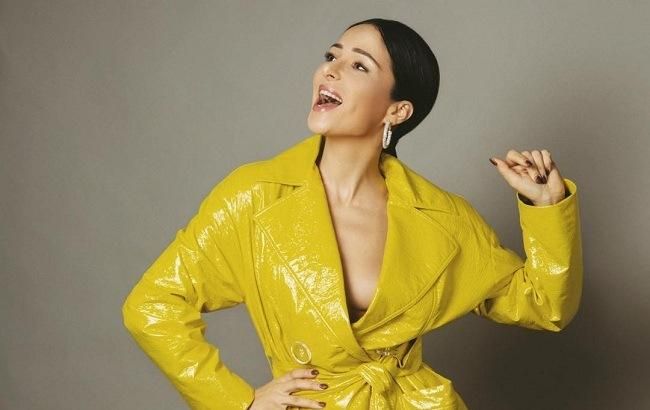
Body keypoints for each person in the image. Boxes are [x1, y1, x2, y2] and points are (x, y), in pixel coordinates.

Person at [122, 18, 582, 409]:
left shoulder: (444, 217)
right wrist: (237, 401)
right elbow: (153, 304)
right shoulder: (255, 197)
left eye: (359, 65)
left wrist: (546, 206)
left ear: (397, 110)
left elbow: (543, 305)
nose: (331, 70)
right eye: (332, 56)